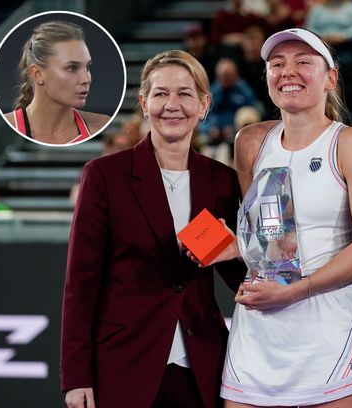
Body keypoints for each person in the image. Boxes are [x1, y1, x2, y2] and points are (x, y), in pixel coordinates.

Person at [60, 50, 245, 408]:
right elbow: (81, 283)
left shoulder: (222, 181)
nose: (172, 105)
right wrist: (76, 375)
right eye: (161, 94)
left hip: (202, 365)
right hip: (124, 364)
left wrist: (239, 250)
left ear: (204, 104)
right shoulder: (104, 176)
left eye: (184, 93)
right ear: (144, 104)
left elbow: (238, 278)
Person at [218, 28, 352, 407]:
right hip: (258, 335)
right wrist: (233, 246)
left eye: (303, 62)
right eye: (277, 64)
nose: (288, 72)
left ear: (330, 78)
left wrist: (295, 290)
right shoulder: (250, 142)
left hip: (330, 334)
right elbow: (268, 238)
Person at [3, 21, 111, 145]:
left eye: (87, 67)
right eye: (72, 67)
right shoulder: (6, 128)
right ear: (37, 74)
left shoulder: (103, 125)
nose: (86, 79)